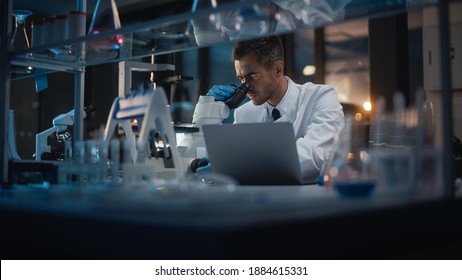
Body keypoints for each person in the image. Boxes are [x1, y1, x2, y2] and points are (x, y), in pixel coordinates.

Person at [204, 36, 344, 183]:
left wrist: (244, 166)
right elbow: (223, 160)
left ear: (277, 69)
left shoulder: (320, 97)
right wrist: (208, 110)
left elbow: (315, 156)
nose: (246, 87)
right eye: (241, 79)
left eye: (253, 76)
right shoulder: (244, 113)